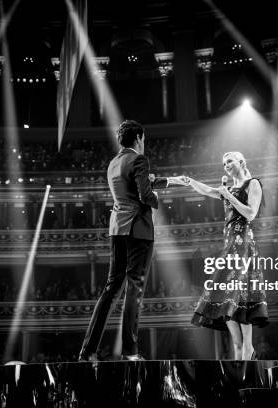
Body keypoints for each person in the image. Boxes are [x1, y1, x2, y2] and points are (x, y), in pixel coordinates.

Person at [78, 120, 187, 361]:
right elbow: (145, 193)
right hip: (138, 229)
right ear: (138, 137)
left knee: (111, 289)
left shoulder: (114, 162)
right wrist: (156, 198)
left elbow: (139, 182)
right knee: (134, 289)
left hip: (118, 229)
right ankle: (130, 351)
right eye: (144, 139)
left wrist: (173, 180)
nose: (144, 143)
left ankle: (87, 350)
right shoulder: (139, 159)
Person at [184, 151, 268, 360]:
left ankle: (248, 347)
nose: (226, 165)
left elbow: (250, 213)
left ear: (241, 162)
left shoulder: (253, 184)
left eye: (229, 161)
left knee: (242, 294)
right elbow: (207, 190)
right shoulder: (228, 188)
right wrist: (190, 181)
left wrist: (228, 195)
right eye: (223, 163)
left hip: (244, 245)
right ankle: (239, 348)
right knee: (224, 296)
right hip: (229, 246)